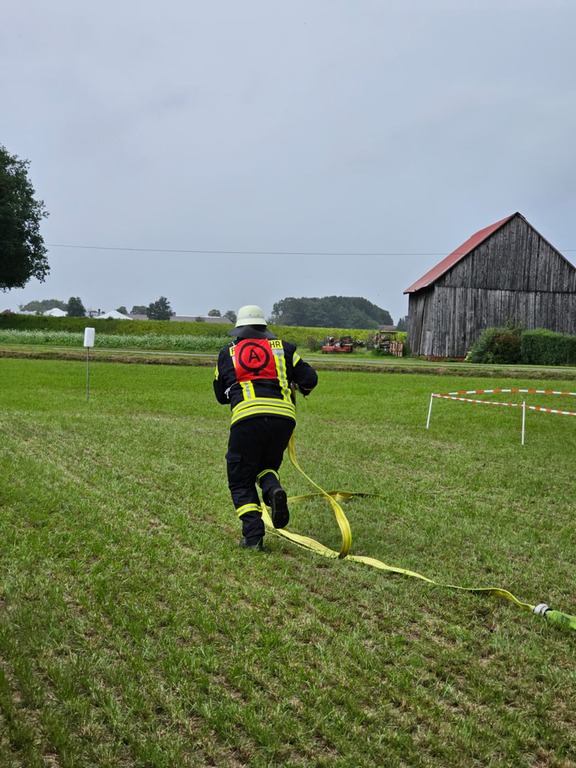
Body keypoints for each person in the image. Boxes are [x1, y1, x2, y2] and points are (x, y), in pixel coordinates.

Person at [213, 305, 318, 550]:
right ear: (264, 328)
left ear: (239, 330)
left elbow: (220, 396)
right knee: (267, 466)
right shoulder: (284, 348)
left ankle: (253, 537)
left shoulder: (227, 353)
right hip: (283, 419)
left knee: (240, 478)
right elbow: (310, 379)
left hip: (247, 417)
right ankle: (272, 490)